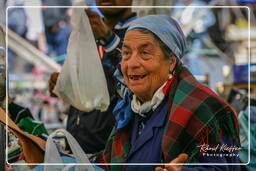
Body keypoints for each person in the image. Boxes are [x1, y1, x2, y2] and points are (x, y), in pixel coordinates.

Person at [97, 15, 241, 171]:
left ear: (171, 62)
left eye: (145, 53)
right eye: (126, 53)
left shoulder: (203, 108)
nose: (131, 63)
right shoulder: (128, 109)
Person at [49, 0, 137, 154]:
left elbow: (138, 83)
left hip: (112, 156)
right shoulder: (87, 31)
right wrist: (64, 85)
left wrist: (110, 41)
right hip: (75, 148)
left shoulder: (143, 33)